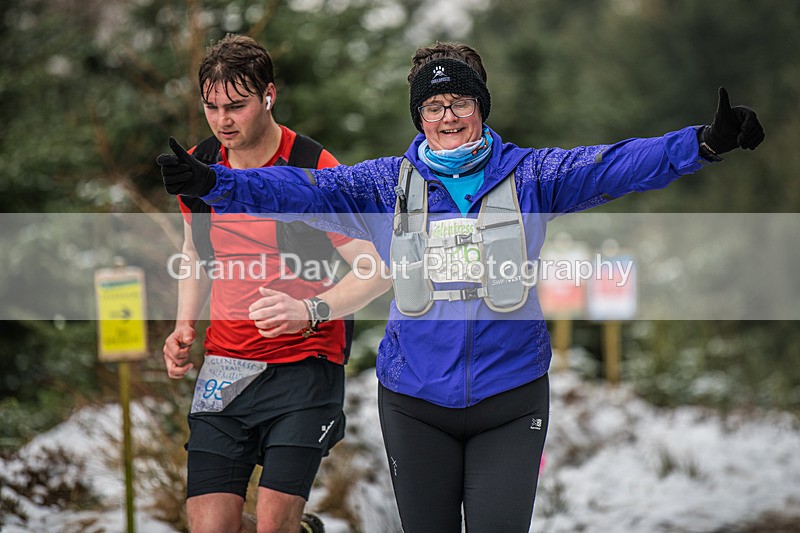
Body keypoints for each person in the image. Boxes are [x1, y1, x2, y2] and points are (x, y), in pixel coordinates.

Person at [157, 41, 764, 532]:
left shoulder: (530, 177)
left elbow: (612, 164)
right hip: (415, 401)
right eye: (434, 106)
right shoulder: (386, 185)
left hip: (510, 394)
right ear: (419, 116)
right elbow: (296, 191)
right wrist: (212, 183)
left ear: (481, 107)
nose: (448, 117)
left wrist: (702, 144)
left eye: (460, 102)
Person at [161, 34, 389, 533]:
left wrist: (308, 311)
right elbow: (195, 252)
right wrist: (183, 328)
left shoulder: (313, 169)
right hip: (226, 364)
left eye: (237, 107)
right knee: (210, 527)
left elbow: (377, 268)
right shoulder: (199, 167)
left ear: (269, 96)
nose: (223, 121)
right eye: (211, 106)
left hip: (304, 368)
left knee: (273, 525)